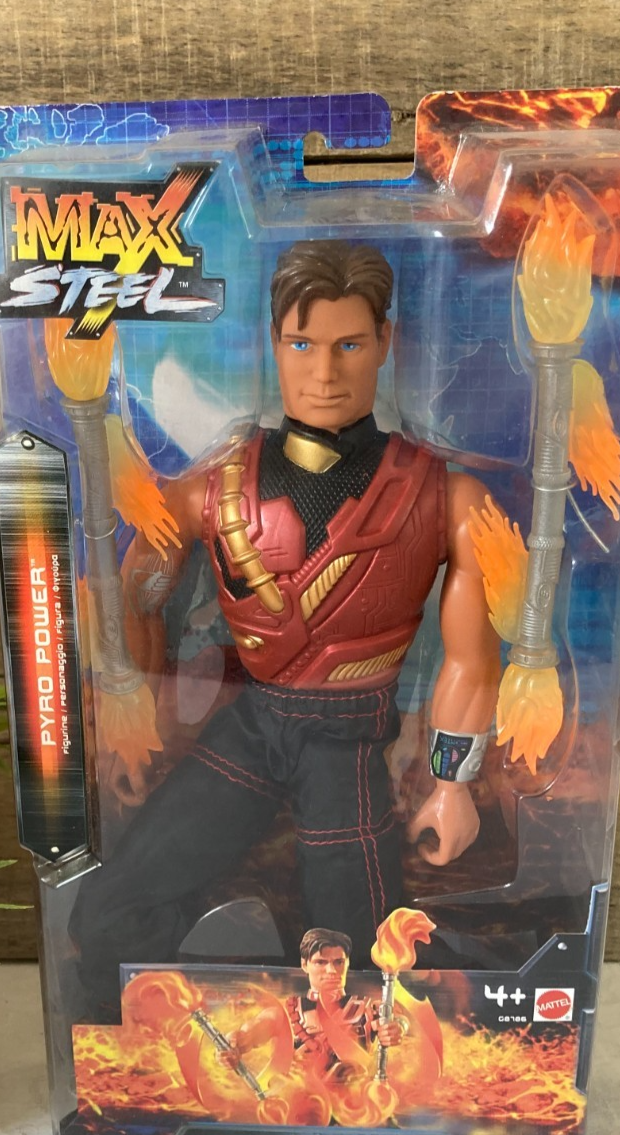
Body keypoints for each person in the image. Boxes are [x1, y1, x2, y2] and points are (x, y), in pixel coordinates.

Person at [69, 239, 500, 1018]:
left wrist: (451, 783)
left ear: (386, 343)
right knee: (106, 912)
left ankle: (355, 1038)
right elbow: (138, 598)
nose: (324, 371)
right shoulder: (211, 490)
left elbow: (471, 659)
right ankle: (188, 1010)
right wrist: (132, 714)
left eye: (349, 345)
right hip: (255, 725)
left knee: (366, 955)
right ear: (274, 343)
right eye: (303, 344)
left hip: (348, 739)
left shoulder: (445, 498)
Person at [226, 928, 404, 1079]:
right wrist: (235, 1043)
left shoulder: (366, 1008)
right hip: (303, 1101)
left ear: (347, 963)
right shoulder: (288, 1011)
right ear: (305, 964)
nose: (331, 970)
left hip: (357, 1100)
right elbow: (254, 1030)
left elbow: (399, 1023)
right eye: (321, 962)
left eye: (339, 962)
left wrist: (397, 1029)